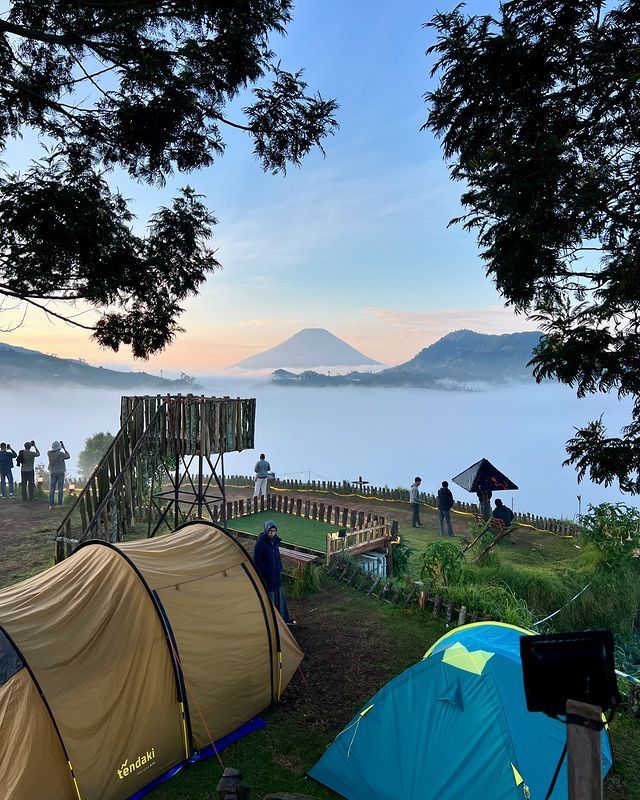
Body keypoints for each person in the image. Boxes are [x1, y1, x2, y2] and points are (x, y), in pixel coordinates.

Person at [253, 521, 295, 624]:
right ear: (266, 531)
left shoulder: (275, 541)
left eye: (274, 531)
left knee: (279, 598)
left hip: (276, 575)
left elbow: (277, 555)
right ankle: (271, 621)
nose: (272, 533)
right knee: (270, 599)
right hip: (267, 578)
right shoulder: (260, 544)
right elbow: (257, 561)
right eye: (270, 531)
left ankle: (283, 619)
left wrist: (279, 567)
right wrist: (266, 572)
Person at [48, 440, 70, 508]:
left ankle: (51, 504)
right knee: (60, 488)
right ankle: (59, 504)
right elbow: (68, 456)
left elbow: (51, 451)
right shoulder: (61, 454)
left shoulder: (49, 453)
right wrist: (64, 448)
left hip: (53, 472)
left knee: (52, 489)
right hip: (60, 472)